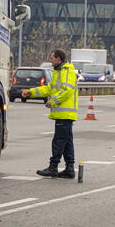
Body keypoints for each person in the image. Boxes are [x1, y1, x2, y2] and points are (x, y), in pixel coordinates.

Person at [22, 49, 78, 178]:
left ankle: (53, 167)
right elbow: (49, 88)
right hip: (63, 114)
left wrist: (52, 102)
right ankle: (69, 169)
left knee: (58, 141)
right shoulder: (59, 72)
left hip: (65, 113)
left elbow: (67, 90)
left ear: (59, 59)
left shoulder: (66, 71)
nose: (50, 60)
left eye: (52, 58)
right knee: (67, 142)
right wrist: (32, 92)